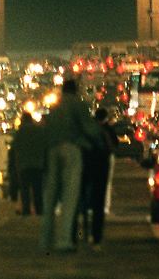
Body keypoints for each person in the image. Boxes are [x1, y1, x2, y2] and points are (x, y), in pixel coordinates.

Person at [39, 79, 101, 253]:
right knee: (69, 196)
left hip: (52, 150)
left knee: (50, 198)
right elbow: (89, 129)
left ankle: (45, 239)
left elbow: (45, 130)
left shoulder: (55, 107)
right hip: (71, 149)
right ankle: (63, 240)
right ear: (75, 90)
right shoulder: (77, 104)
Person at [81, 107, 118, 251]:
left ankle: (83, 232)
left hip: (87, 166)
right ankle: (96, 237)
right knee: (98, 203)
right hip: (101, 167)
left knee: (83, 200)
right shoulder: (106, 130)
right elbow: (113, 146)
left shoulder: (88, 129)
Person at [11, 113, 46, 215]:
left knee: (25, 190)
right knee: (37, 189)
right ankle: (39, 211)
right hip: (37, 164)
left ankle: (26, 211)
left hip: (23, 165)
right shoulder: (39, 130)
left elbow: (15, 148)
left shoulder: (20, 132)